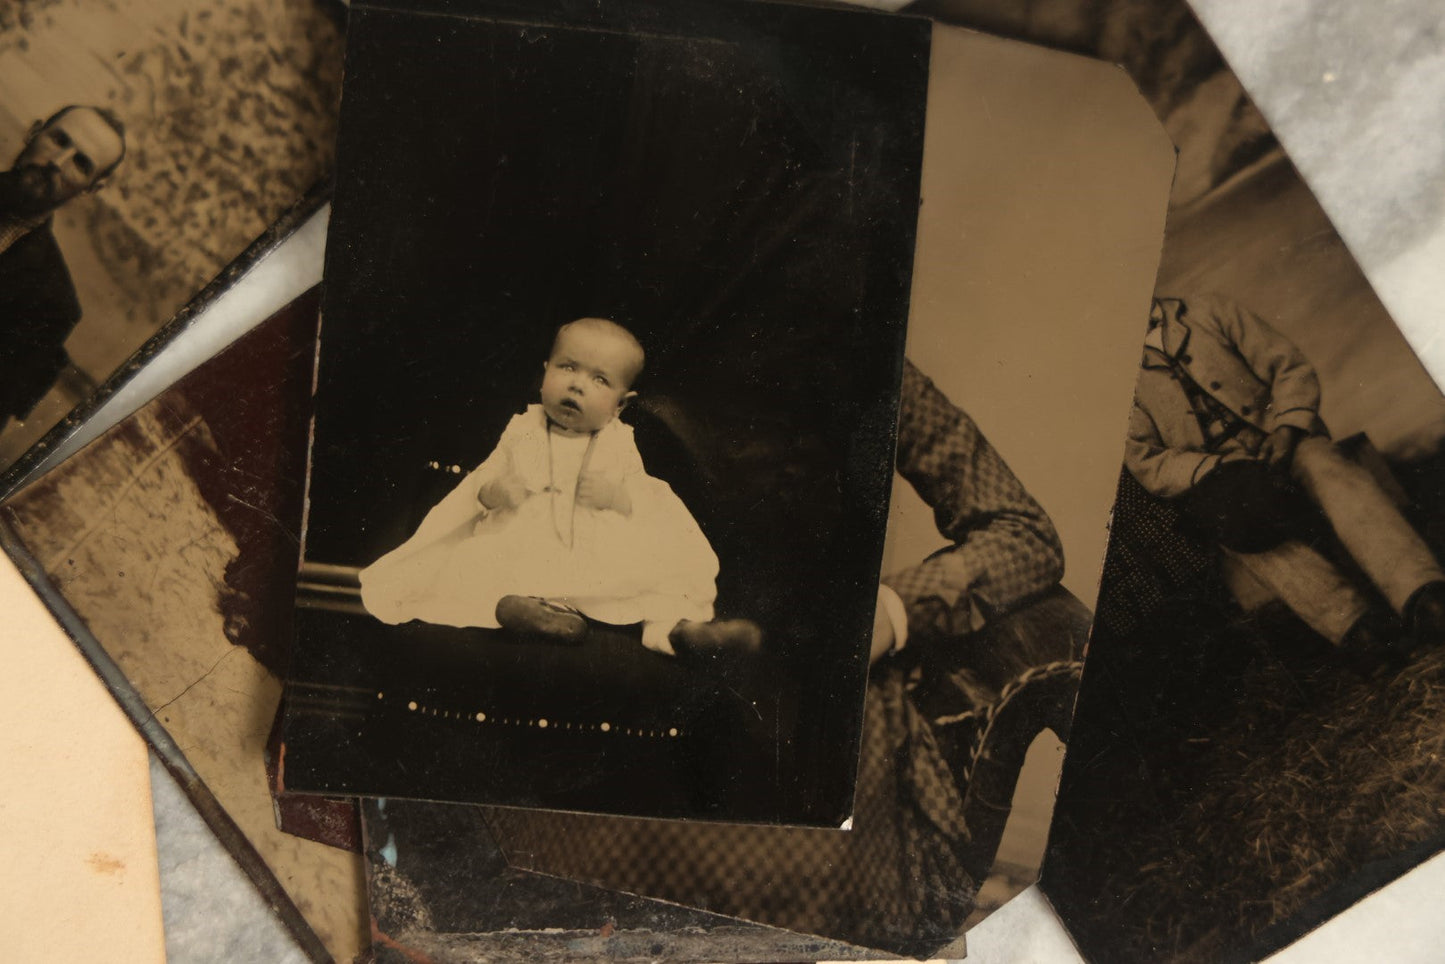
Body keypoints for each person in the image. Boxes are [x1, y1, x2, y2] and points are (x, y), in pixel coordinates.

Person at [477, 357, 1085, 956]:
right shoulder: (601, 355)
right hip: (620, 683)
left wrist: (892, 610)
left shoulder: (866, 360)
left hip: (805, 708)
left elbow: (1022, 533)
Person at [359, 317, 762, 658]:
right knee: (478, 568)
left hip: (596, 553)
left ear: (620, 404)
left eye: (599, 379)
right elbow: (481, 484)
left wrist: (615, 496)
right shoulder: (522, 429)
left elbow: (644, 500)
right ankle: (527, 611)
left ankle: (678, 632)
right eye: (567, 368)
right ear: (545, 371)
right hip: (522, 541)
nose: (577, 385)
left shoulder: (620, 442)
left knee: (653, 582)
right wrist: (497, 491)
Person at [1125, 293, 1445, 664]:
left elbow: (1289, 366)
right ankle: (1356, 628)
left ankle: (1422, 593)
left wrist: (1286, 429)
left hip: (1282, 438)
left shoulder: (1209, 311)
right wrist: (1213, 469)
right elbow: (1146, 460)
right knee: (1237, 526)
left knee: (1326, 468)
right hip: (1221, 476)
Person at [0, 105, 126, 422]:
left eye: (81, 163)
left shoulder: (52, 308)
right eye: (58, 140)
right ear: (34, 131)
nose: (56, 163)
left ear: (93, 187)